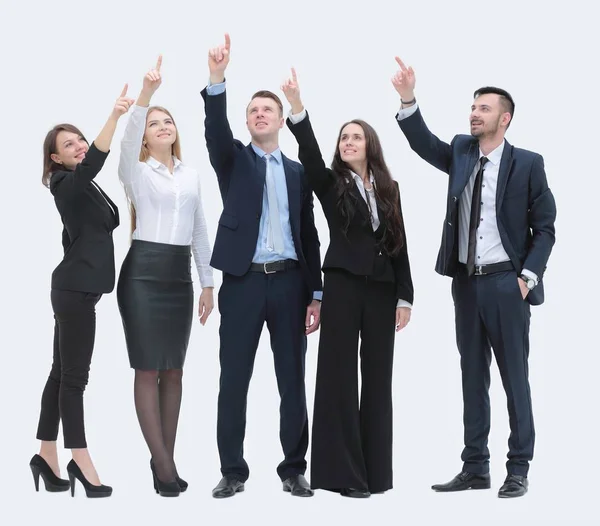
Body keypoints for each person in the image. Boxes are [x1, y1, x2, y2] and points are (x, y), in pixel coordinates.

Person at [392, 57, 556, 498]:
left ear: (504, 119)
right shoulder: (463, 152)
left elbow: (545, 227)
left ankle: (518, 468)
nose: (474, 113)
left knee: (514, 378)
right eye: (472, 106)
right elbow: (424, 144)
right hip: (465, 283)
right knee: (471, 376)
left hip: (508, 284)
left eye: (484, 108)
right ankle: (475, 467)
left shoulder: (528, 164)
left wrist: (528, 277)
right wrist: (408, 97)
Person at [282, 69, 413, 498]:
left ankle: (376, 474)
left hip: (381, 290)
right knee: (338, 375)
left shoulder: (390, 188)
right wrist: (298, 107)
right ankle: (344, 477)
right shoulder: (330, 183)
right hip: (341, 286)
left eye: (356, 137)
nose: (349, 142)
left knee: (379, 377)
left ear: (370, 144)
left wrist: (405, 296)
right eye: (344, 138)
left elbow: (400, 245)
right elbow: (311, 155)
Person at [201, 35, 322, 499]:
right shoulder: (233, 161)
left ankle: (293, 469)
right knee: (234, 379)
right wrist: (217, 79)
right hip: (243, 284)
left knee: (292, 380)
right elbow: (215, 131)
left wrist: (317, 292)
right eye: (252, 111)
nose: (259, 115)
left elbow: (309, 236)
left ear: (279, 120)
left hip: (291, 284)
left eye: (266, 110)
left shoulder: (297, 172)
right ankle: (233, 471)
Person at [117, 56, 215, 497]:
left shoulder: (192, 175)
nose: (161, 126)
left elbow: (198, 230)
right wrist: (146, 96)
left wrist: (207, 282)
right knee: (147, 367)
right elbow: (126, 142)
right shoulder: (135, 172)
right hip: (142, 276)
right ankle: (166, 466)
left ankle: (163, 464)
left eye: (167, 121)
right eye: (154, 123)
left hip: (179, 278)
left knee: (174, 370)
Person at [32, 86, 133, 498]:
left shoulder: (81, 189)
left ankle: (45, 454)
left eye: (79, 139)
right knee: (75, 379)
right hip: (74, 292)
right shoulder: (65, 184)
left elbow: (75, 237)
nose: (78, 146)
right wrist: (114, 115)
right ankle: (81, 460)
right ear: (56, 158)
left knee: (60, 374)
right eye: (69, 144)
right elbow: (95, 161)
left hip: (73, 289)